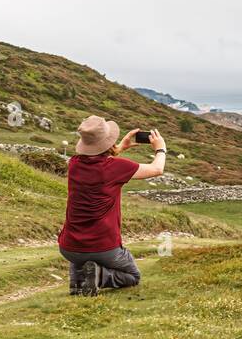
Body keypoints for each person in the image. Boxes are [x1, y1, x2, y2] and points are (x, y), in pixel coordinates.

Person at [57, 115, 167, 295]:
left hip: (69, 247)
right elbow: (157, 169)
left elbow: (99, 163)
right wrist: (160, 148)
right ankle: (99, 276)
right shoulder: (116, 167)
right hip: (103, 247)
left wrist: (119, 148)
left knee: (81, 257)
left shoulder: (74, 164)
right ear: (108, 143)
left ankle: (78, 282)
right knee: (132, 276)